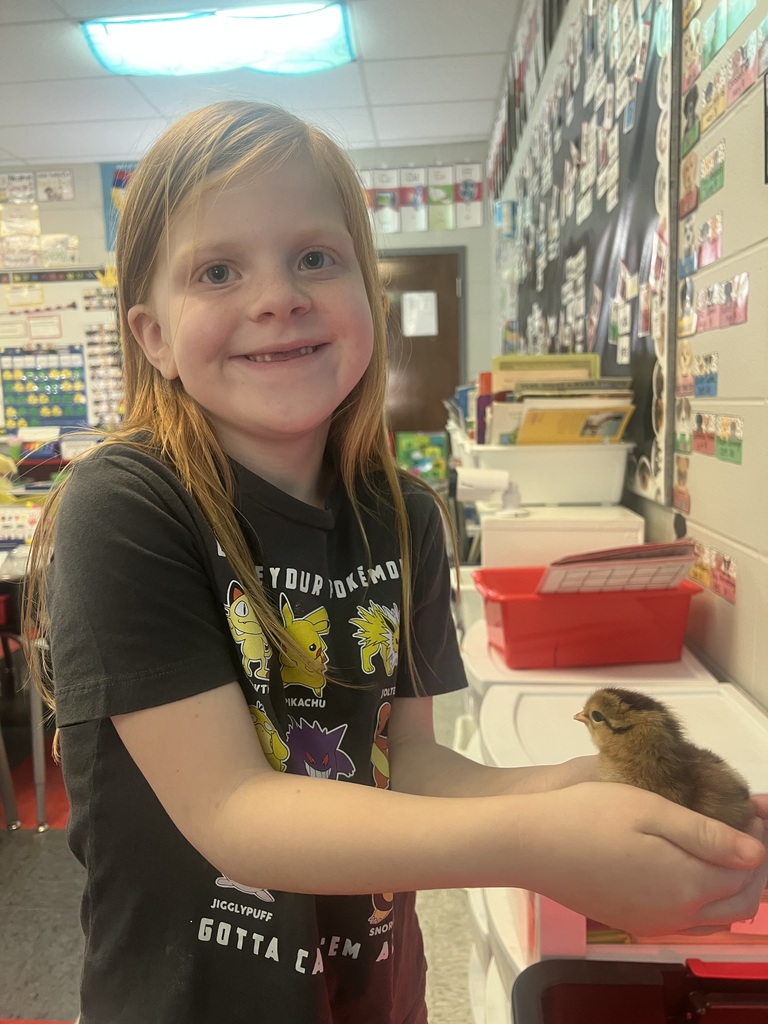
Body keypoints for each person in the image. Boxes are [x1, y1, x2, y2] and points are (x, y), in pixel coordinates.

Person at [25, 101, 767, 1024]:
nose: (277, 296)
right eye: (218, 270)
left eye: (314, 258)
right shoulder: (127, 508)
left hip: (371, 994)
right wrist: (537, 841)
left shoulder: (408, 516)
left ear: (366, 294)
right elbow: (232, 811)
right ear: (153, 337)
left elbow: (407, 764)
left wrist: (596, 792)